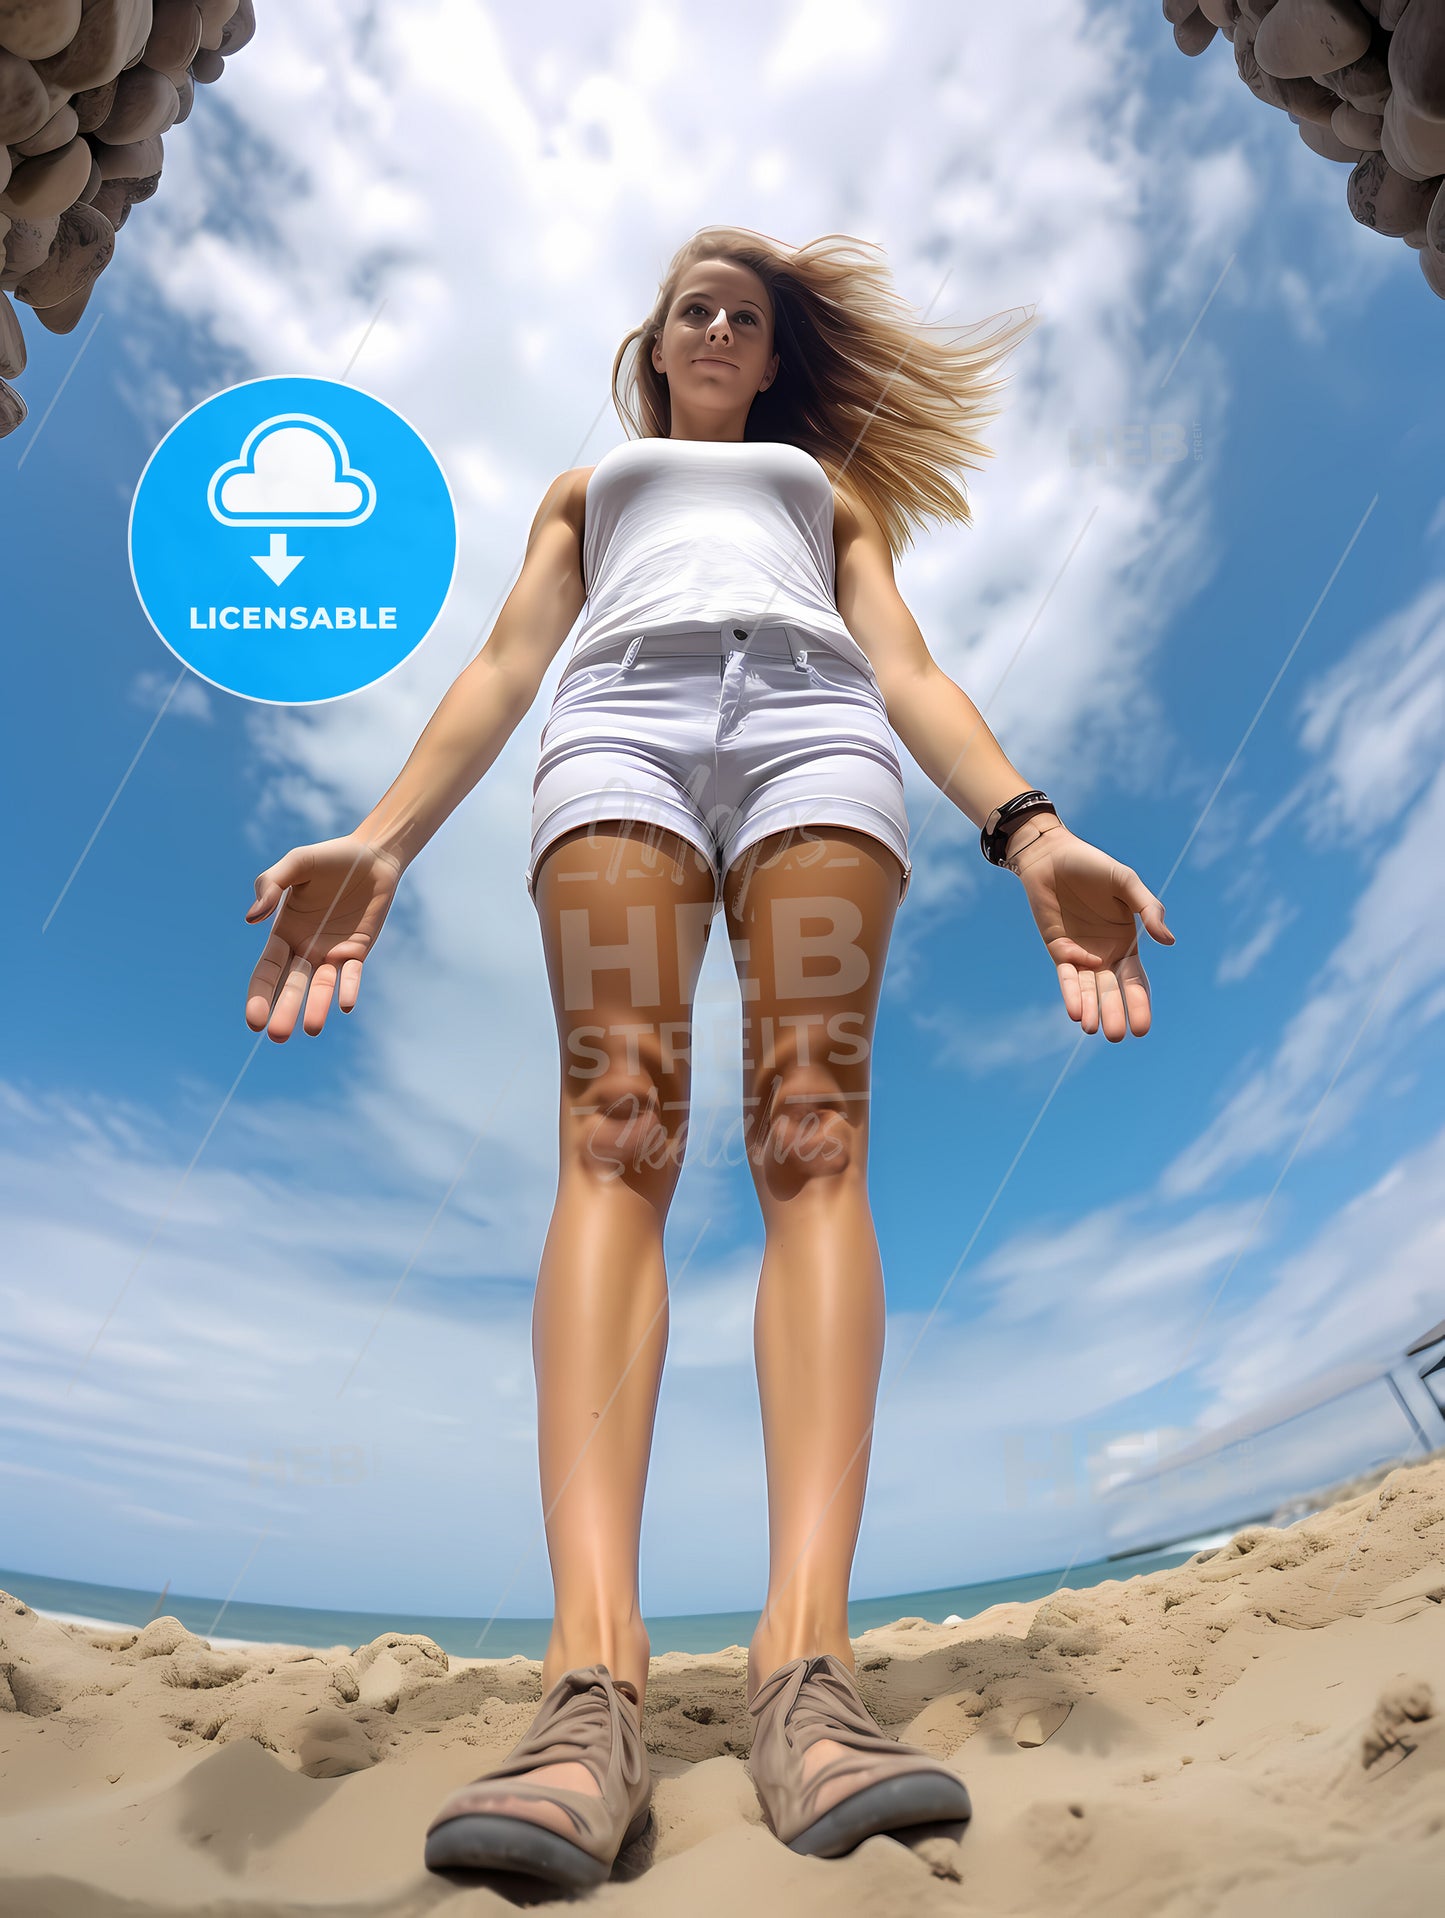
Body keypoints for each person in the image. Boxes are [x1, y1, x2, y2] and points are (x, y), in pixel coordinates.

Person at [242, 224, 1174, 1892]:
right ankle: (587, 1687)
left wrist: (1028, 833)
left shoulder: (827, 490)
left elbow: (904, 666)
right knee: (617, 1127)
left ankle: (805, 1674)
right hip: (617, 731)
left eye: (749, 310)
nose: (724, 323)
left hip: (819, 734)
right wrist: (383, 841)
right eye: (697, 305)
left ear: (770, 350)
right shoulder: (589, 489)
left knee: (812, 1134)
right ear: (659, 342)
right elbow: (507, 661)